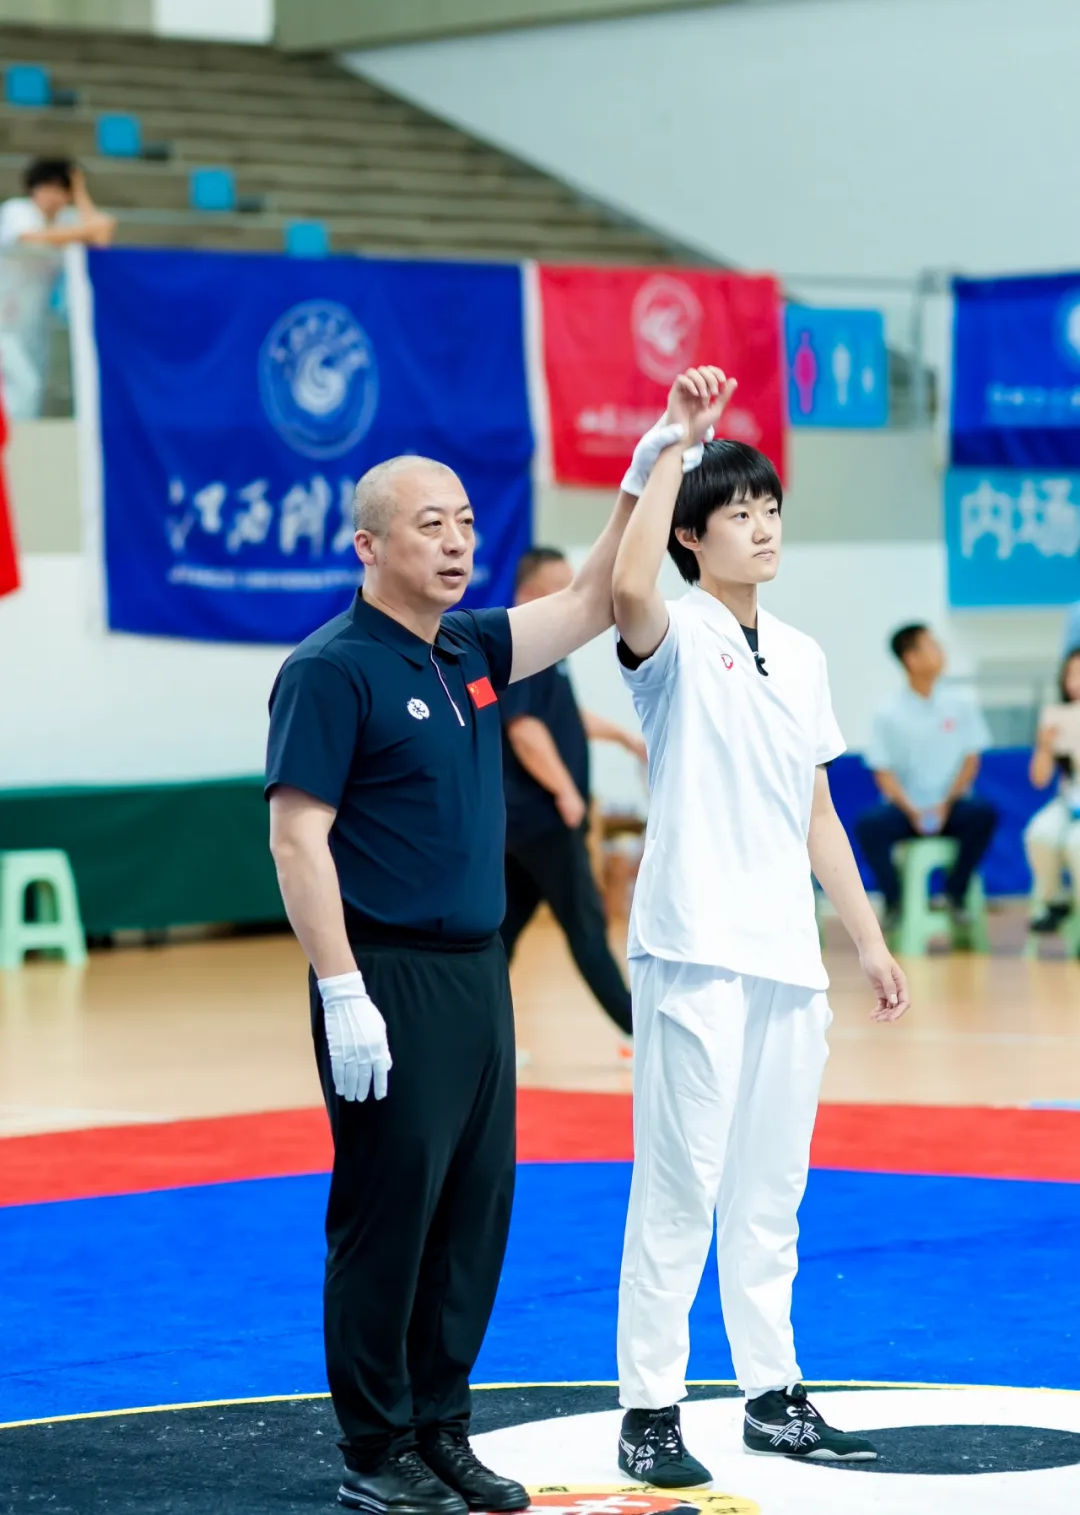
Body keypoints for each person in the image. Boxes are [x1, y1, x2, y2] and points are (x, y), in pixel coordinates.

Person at [264, 394, 708, 1513]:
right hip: (387, 976)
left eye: (465, 522)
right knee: (390, 1215)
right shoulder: (330, 669)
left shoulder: (467, 648)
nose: (457, 542)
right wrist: (343, 990)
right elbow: (297, 838)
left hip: (475, 974)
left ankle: (442, 1427)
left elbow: (595, 600)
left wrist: (646, 467)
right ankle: (377, 1449)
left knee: (472, 1214)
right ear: (370, 546)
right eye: (431, 526)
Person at [610, 371, 909, 1487]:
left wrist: (867, 940)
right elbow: (625, 581)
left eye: (772, 508)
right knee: (678, 1188)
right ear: (693, 537)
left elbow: (818, 813)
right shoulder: (673, 637)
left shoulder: (806, 652)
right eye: (739, 513)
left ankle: (771, 1395)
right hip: (694, 949)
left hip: (788, 959)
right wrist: (670, 447)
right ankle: (648, 1411)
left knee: (771, 1190)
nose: (765, 526)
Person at [501, 545, 645, 1038]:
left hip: (525, 823)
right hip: (543, 818)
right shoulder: (521, 646)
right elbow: (523, 728)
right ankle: (641, 1031)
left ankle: (470, 1035)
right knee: (586, 926)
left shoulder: (550, 649)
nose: (574, 594)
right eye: (561, 585)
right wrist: (566, 792)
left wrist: (623, 737)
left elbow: (562, 717)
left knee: (499, 935)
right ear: (529, 593)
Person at [857, 625, 997, 930]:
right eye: (931, 646)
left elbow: (971, 760)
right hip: (907, 810)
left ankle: (954, 893)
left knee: (983, 814)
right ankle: (894, 901)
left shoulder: (960, 704)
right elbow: (883, 771)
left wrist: (946, 804)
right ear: (911, 658)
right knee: (870, 825)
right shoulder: (888, 713)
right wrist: (913, 810)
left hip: (951, 806)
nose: (940, 651)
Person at [0, 158, 115, 422]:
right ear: (32, 188)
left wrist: (80, 191)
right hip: (3, 320)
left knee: (33, 391)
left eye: (62, 189)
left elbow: (101, 240)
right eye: (47, 187)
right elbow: (29, 237)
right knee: (25, 387)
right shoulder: (17, 211)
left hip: (33, 322)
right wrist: (86, 230)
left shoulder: (67, 221)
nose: (53, 196)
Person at [1024, 647, 1080, 933]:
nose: (1076, 682)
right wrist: (1045, 746)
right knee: (1040, 833)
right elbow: (1039, 779)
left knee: (1076, 844)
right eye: (1071, 675)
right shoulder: (1056, 719)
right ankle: (1055, 900)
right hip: (1069, 802)